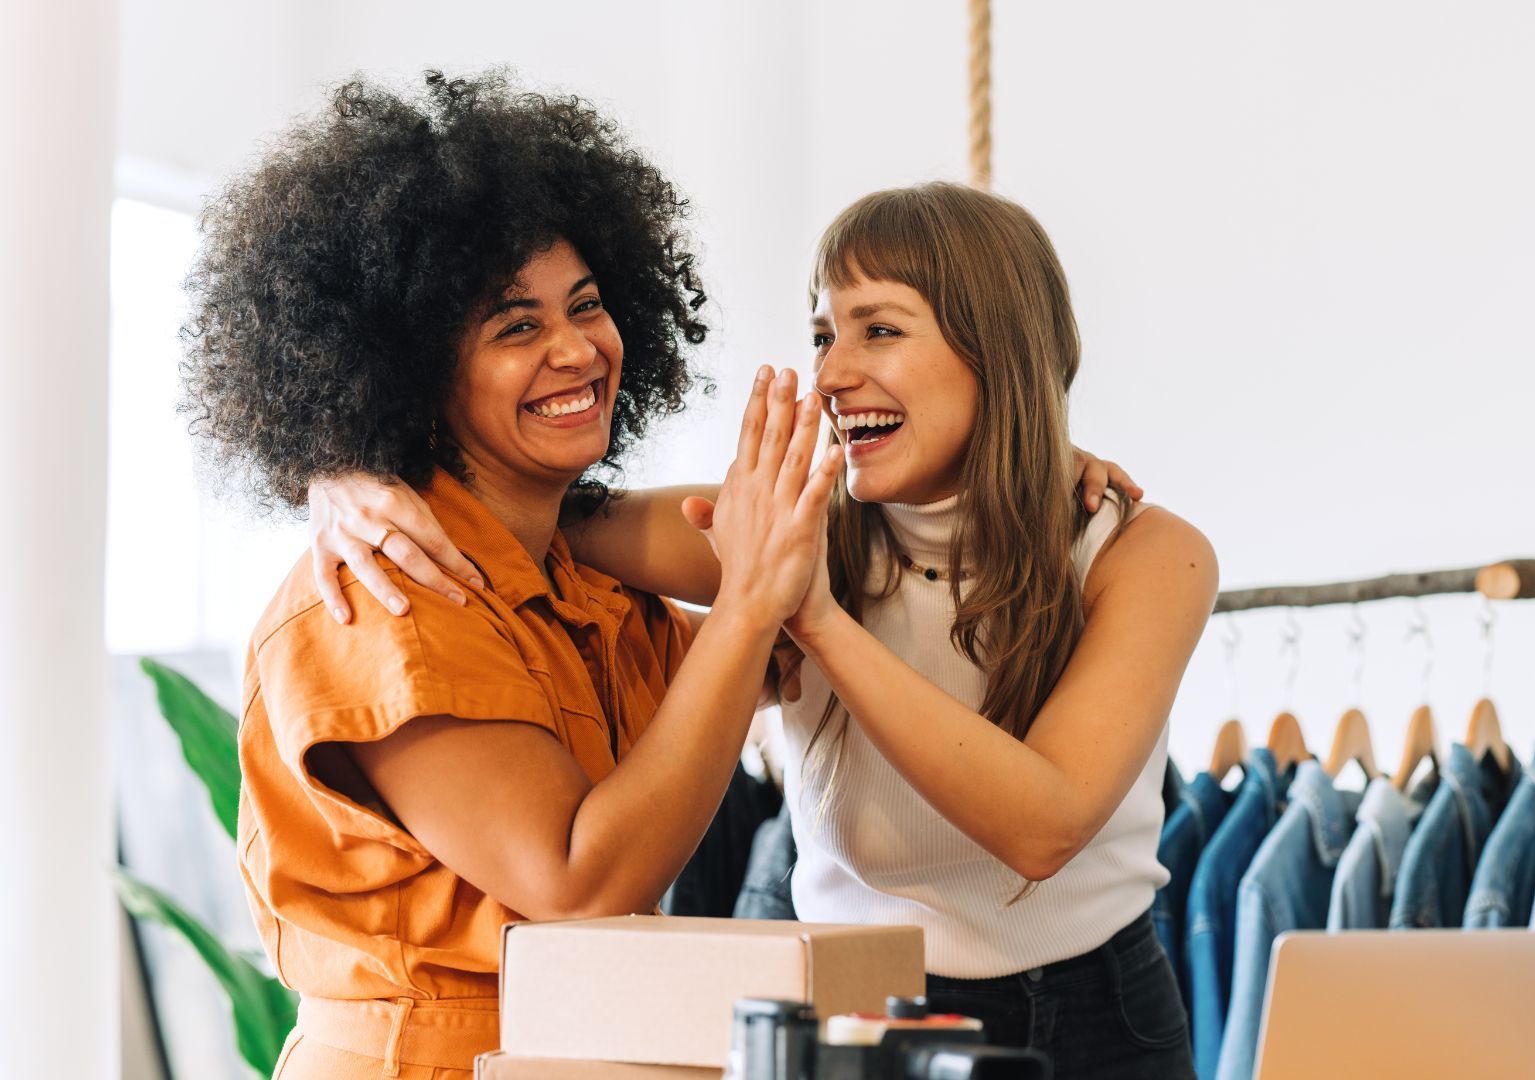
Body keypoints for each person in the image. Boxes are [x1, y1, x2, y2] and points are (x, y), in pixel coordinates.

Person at [325, 182, 1216, 1079]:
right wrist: (346, 472)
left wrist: (817, 620)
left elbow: (1044, 826)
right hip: (854, 1007)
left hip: (1100, 1019)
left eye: (879, 329)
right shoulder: (792, 522)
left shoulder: (1143, 554)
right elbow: (529, 506)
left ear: (1002, 350)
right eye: (824, 335)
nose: (829, 374)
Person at [182, 72, 840, 1079]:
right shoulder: (384, 596)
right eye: (515, 327)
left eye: (586, 305)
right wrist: (750, 608)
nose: (577, 350)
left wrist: (1035, 477)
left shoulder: (575, 579)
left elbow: (815, 566)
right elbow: (579, 881)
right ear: (407, 369)